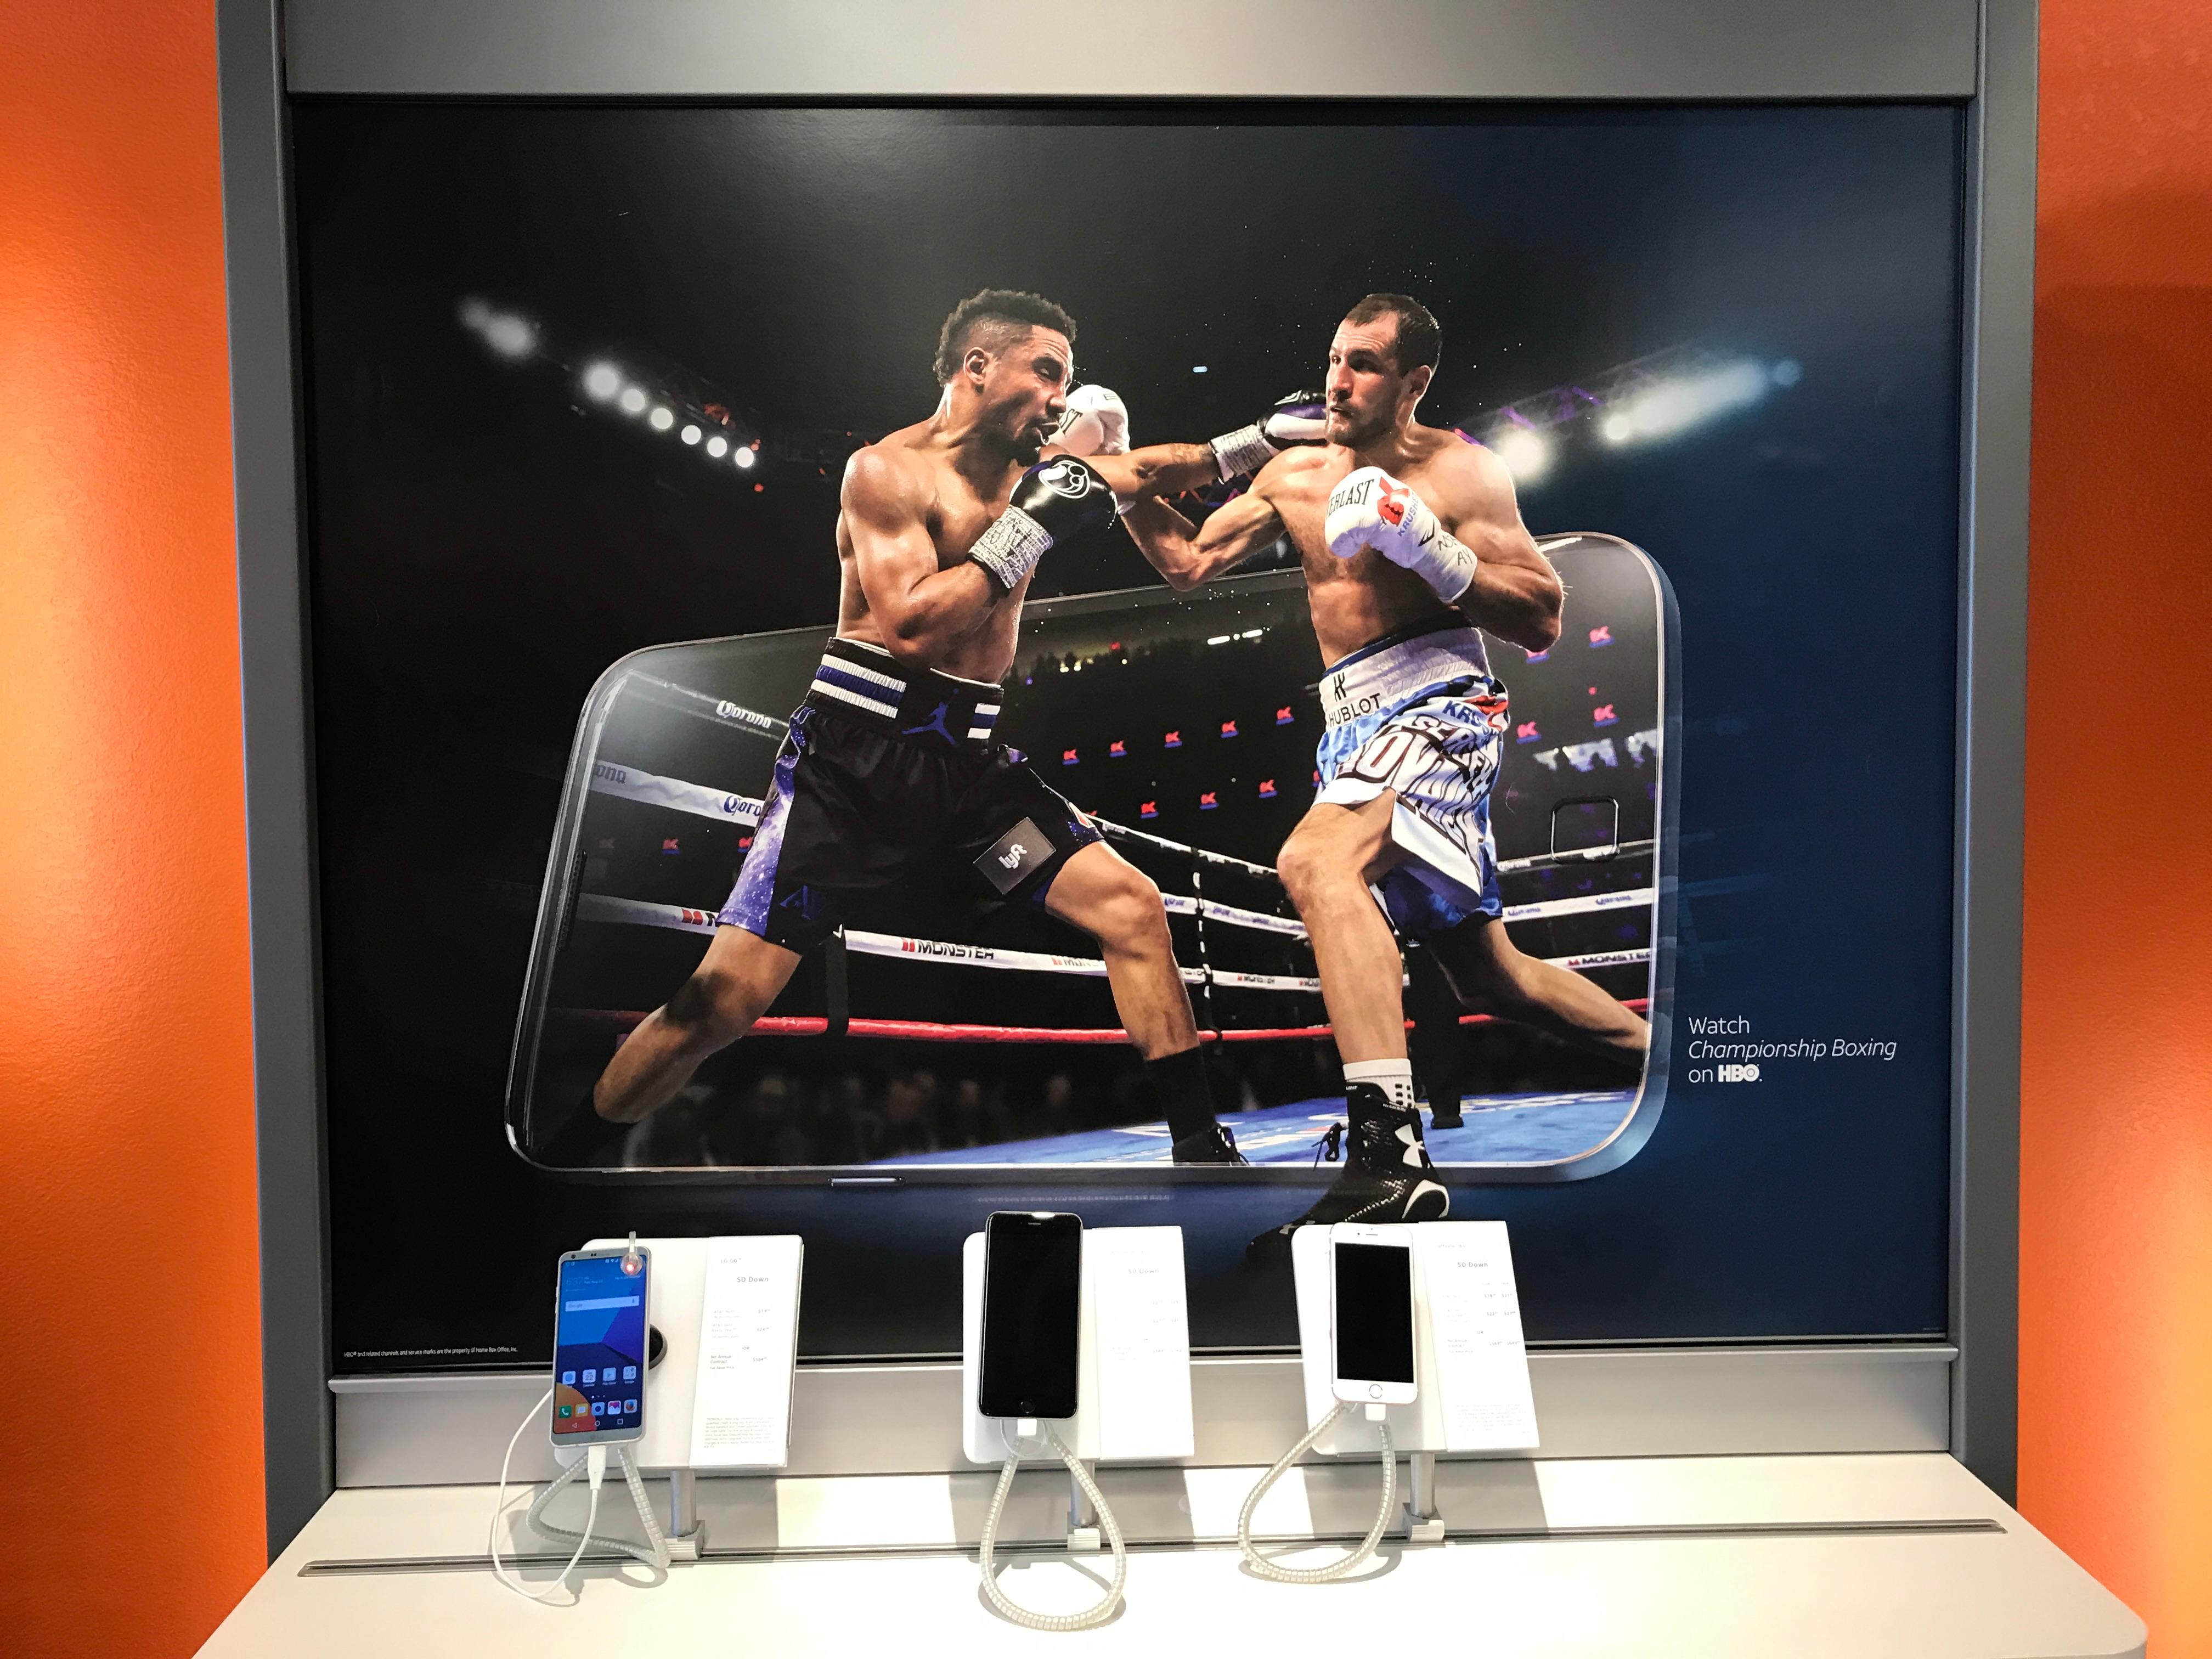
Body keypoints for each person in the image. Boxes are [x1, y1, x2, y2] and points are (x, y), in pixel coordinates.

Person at [567, 290, 1244, 1166]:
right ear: (978, 367)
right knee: (721, 1005)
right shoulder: (886, 472)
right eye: (1047, 372)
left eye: (1067, 379)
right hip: (853, 770)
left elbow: (1159, 473)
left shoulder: (1037, 468)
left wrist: (1265, 438)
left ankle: (1200, 1148)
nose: (1060, 396)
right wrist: (1031, 525)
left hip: (969, 774)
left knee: (1132, 908)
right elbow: (915, 628)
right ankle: (569, 1156)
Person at [1110, 294, 1650, 1251]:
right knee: (1492, 975)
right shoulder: (1295, 470)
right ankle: (1672, 1061)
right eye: (1333, 359)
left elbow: (1540, 617)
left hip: (1442, 704)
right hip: (1349, 726)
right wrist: (1119, 486)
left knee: (1316, 861)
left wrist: (1431, 547)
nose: (1337, 380)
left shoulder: (1462, 471)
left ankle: (1388, 1157)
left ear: (1414, 382)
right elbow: (1187, 562)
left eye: (1362, 363)